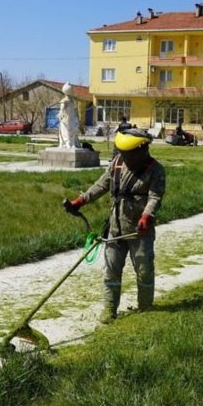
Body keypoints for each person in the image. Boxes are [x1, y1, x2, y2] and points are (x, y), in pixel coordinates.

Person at [64, 128, 166, 323]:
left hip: (139, 232)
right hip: (115, 229)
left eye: (129, 153)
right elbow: (101, 185)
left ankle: (145, 309)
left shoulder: (155, 170)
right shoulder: (117, 164)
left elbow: (155, 197)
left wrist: (146, 216)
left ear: (142, 149)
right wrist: (81, 200)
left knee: (144, 271)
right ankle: (110, 309)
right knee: (111, 270)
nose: (125, 156)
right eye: (122, 152)